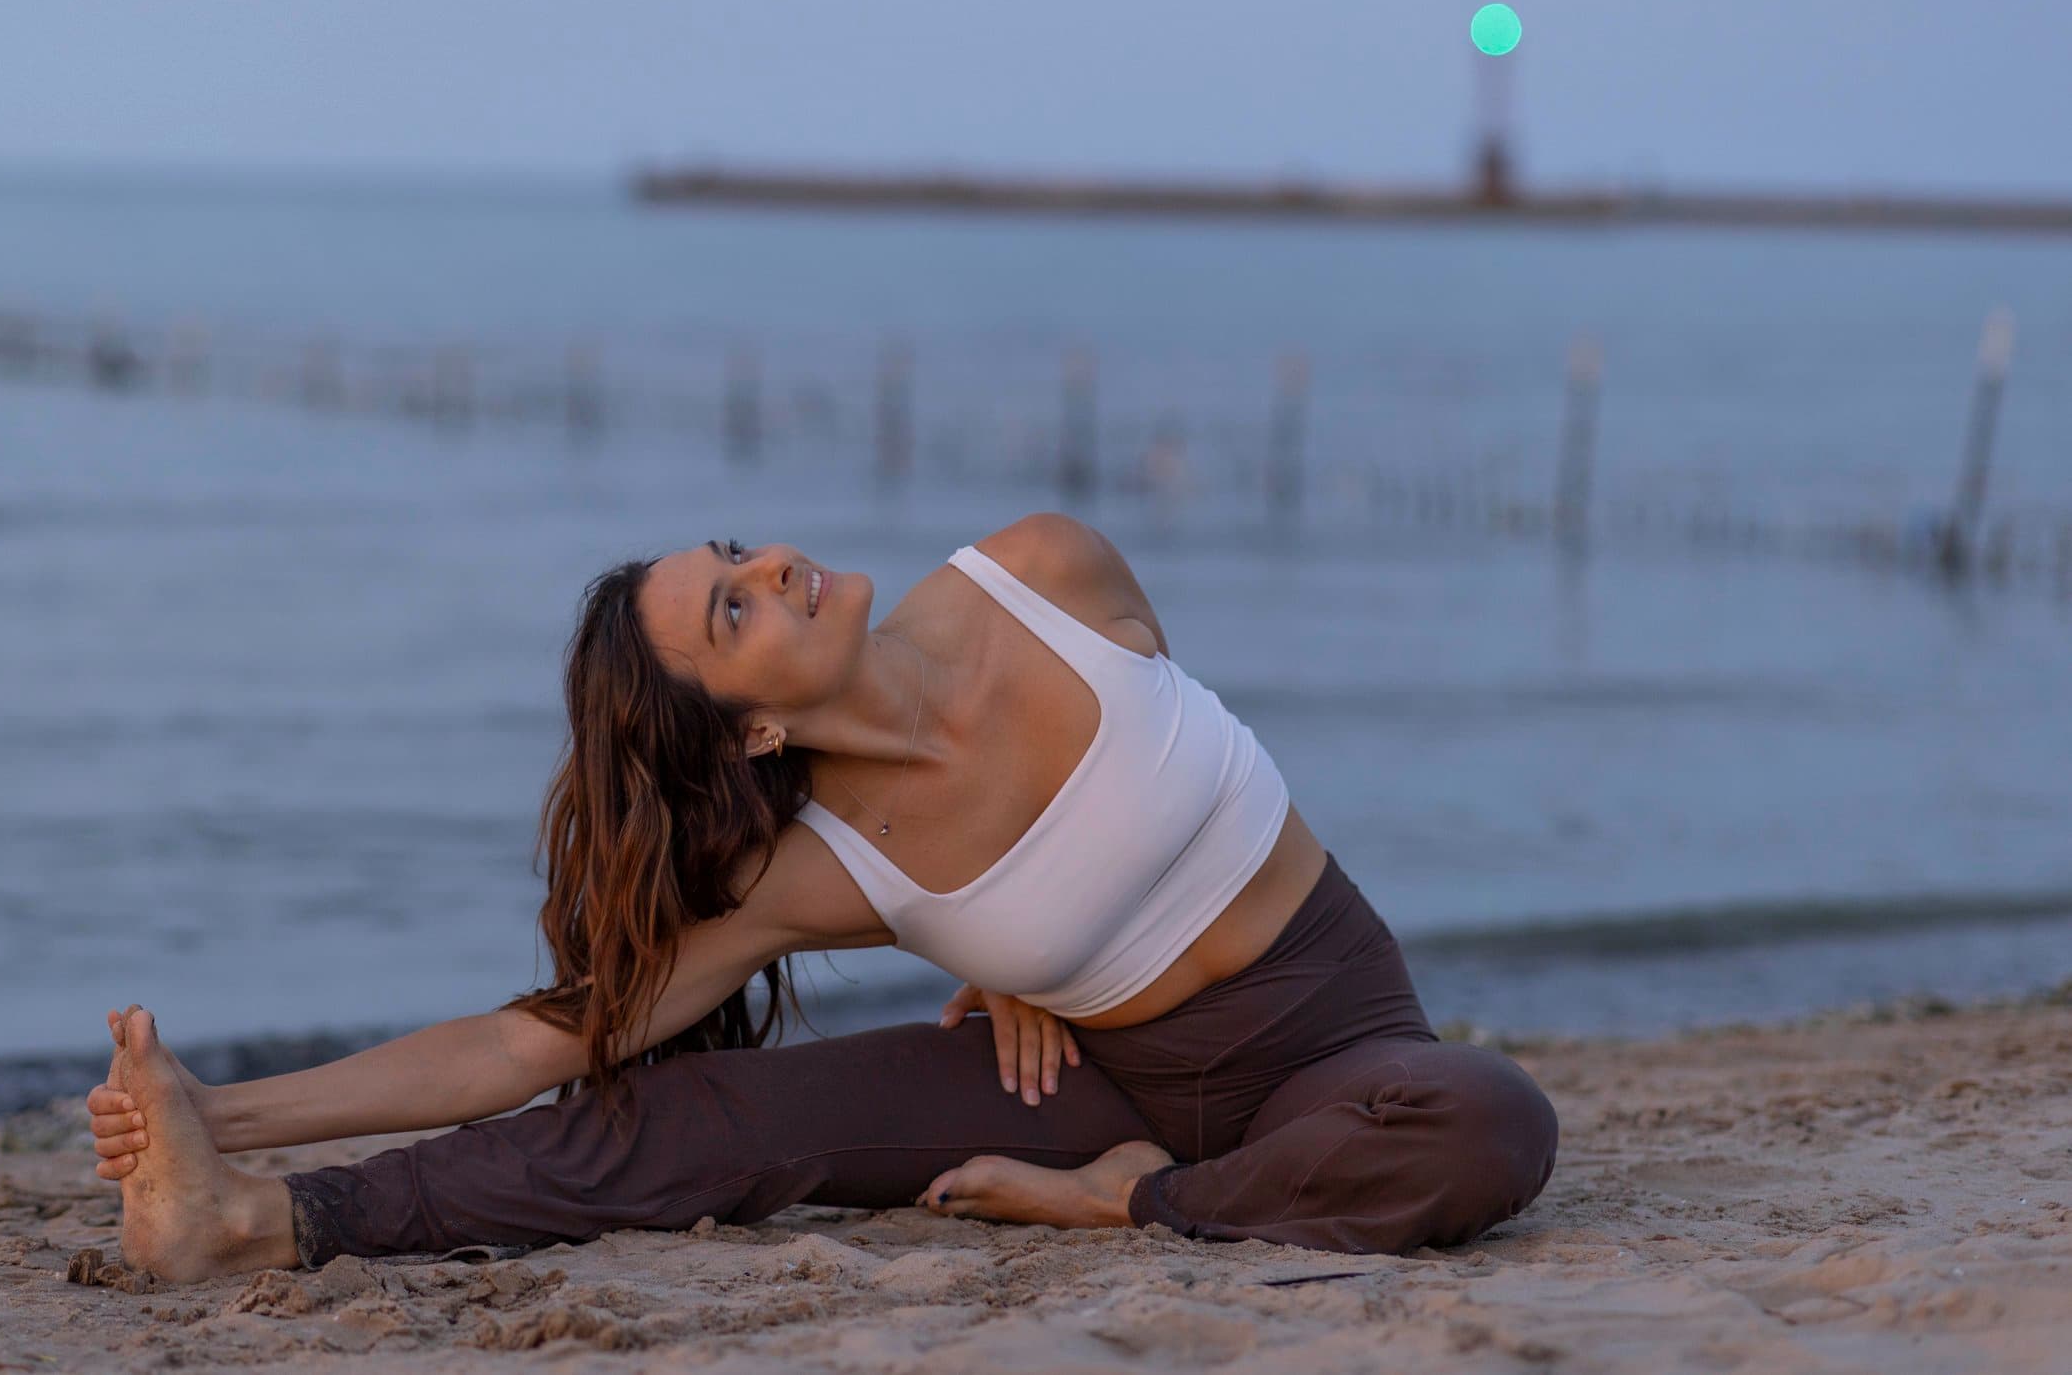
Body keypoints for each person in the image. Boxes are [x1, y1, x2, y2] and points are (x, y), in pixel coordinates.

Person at [85, 513, 1558, 1282]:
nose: (774, 564)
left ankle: (1138, 1207)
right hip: (1092, 1075)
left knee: (1490, 1120)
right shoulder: (826, 867)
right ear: (751, 735)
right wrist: (220, 1111)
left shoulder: (1046, 573)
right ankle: (260, 1220)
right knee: (700, 1120)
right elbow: (530, 1042)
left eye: (735, 556)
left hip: (1333, 1042)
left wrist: (1040, 952)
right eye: (733, 608)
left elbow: (1162, 788)